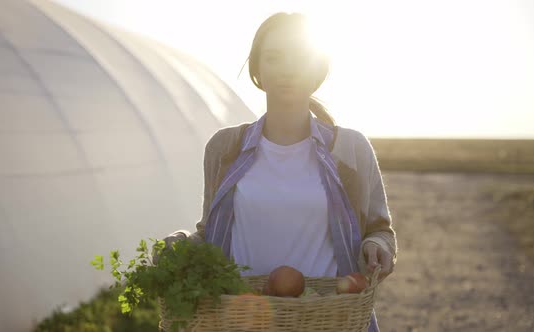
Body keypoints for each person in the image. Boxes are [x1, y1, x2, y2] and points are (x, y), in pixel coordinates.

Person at [158, 12, 397, 332]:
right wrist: (181, 244)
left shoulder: (350, 148)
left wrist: (377, 248)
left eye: (300, 58)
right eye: (274, 57)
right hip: (240, 320)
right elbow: (211, 233)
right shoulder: (224, 148)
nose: (288, 69)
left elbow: (380, 231)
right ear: (257, 68)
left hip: (326, 320)